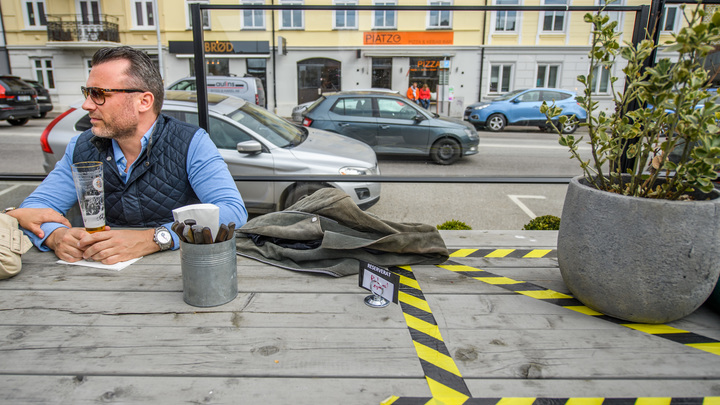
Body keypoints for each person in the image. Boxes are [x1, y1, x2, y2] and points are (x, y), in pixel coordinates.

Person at [7, 46, 247, 265]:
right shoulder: (82, 146)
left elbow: (232, 211)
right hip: (92, 284)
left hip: (177, 276)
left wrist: (154, 238)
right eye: (87, 92)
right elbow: (37, 208)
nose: (87, 105)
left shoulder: (190, 141)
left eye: (99, 93)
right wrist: (56, 236)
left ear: (144, 101)